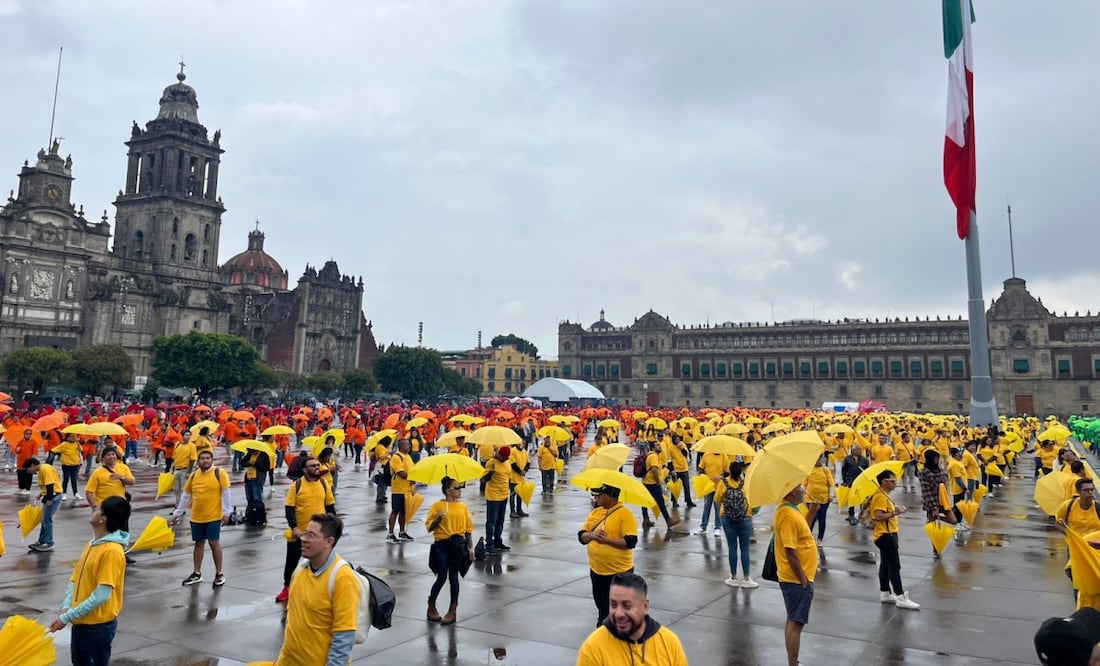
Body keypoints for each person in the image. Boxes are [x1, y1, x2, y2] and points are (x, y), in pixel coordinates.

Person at [48, 496, 131, 666]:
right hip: (81, 622)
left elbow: (102, 595)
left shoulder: (112, 551)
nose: (94, 508)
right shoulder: (92, 544)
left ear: (103, 519)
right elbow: (75, 580)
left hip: (97, 627)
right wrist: (67, 606)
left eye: (99, 508)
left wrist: (68, 617)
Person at [276, 513, 361, 666]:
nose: (304, 539)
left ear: (329, 542)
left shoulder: (343, 577)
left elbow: (344, 634)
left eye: (311, 535)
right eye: (305, 533)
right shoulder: (300, 569)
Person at [576, 572, 687, 666]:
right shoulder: (593, 648)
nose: (618, 614)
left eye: (627, 606)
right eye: (613, 605)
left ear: (645, 606)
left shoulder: (669, 643)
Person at [277, 455, 336, 603]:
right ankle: (287, 588)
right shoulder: (297, 485)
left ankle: (319, 590)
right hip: (300, 533)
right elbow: (289, 508)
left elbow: (330, 507)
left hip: (319, 535)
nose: (317, 468)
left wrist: (333, 526)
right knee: (292, 562)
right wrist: (294, 527)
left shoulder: (323, 483)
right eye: (313, 466)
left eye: (317, 465)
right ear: (304, 469)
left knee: (321, 563)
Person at [579, 484, 639, 626]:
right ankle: (604, 627)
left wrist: (606, 540)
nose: (596, 498)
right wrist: (592, 535)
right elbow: (581, 537)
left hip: (619, 572)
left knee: (618, 610)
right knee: (602, 606)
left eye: (599, 495)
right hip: (597, 570)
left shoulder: (625, 514)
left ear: (610, 496)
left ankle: (612, 633)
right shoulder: (596, 513)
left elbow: (630, 542)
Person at [171, 450, 231, 587]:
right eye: (202, 458)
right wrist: (177, 513)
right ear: (198, 461)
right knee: (198, 544)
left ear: (212, 459)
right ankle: (197, 573)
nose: (205, 460)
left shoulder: (219, 473)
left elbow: (226, 493)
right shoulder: (193, 476)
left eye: (207, 458)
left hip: (213, 516)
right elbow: (186, 495)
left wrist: (227, 512)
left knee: (214, 543)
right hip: (197, 517)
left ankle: (219, 573)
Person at [775, 482, 817, 666]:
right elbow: (790, 550)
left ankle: (793, 661)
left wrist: (812, 511)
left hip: (799, 577)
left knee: (793, 619)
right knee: (796, 623)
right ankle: (793, 663)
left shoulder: (792, 509)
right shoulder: (788, 514)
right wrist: (803, 579)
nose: (803, 490)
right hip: (796, 579)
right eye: (800, 487)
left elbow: (803, 532)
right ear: (791, 490)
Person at [426, 476, 474, 625]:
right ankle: (431, 605)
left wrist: (470, 547)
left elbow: (468, 529)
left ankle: (453, 609)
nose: (460, 491)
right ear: (448, 491)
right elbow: (429, 528)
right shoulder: (437, 506)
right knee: (441, 577)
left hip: (457, 544)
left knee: (454, 577)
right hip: (441, 544)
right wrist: (439, 519)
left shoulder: (463, 507)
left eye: (461, 488)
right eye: (457, 488)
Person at [869, 469, 920, 609]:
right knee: (894, 565)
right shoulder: (880, 496)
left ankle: (885, 592)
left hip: (888, 534)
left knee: (885, 565)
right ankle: (900, 596)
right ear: (884, 482)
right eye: (892, 481)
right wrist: (894, 513)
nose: (895, 484)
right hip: (886, 535)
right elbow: (877, 516)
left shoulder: (885, 495)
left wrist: (895, 511)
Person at [1056, 477, 1100, 606]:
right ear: (1078, 492)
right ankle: (1080, 607)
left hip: (1094, 550)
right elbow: (1058, 524)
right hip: (1076, 548)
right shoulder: (1068, 506)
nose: (1090, 493)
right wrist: (1071, 536)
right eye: (1086, 490)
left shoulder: (1097, 508)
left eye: (1092, 490)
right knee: (1078, 579)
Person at [716, 461, 757, 588]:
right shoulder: (745, 483)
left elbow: (717, 499)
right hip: (745, 518)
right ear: (741, 472)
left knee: (732, 548)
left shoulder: (723, 483)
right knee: (745, 549)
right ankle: (746, 578)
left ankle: (733, 577)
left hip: (727, 519)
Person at [639, 441, 679, 529]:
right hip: (652, 483)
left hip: (646, 482)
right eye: (657, 445)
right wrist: (658, 481)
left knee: (645, 501)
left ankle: (646, 519)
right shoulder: (653, 456)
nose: (659, 446)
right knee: (660, 502)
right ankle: (668, 520)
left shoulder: (652, 455)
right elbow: (654, 470)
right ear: (653, 448)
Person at [26, 457, 62, 552]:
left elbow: (50, 485)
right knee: (44, 520)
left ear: (32, 465)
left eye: (28, 469)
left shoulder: (45, 469)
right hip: (51, 495)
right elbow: (47, 485)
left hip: (54, 496)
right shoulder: (43, 469)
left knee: (47, 520)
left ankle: (49, 543)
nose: (28, 472)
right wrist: (41, 494)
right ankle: (42, 541)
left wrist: (49, 499)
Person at [482, 445, 512, 554]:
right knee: (491, 522)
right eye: (502, 456)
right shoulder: (491, 462)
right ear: (498, 454)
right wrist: (491, 471)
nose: (503, 459)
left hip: (504, 494)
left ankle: (498, 540)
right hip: (493, 496)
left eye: (505, 457)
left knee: (500, 520)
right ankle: (489, 544)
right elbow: (484, 479)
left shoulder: (507, 463)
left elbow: (508, 477)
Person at [85, 446, 135, 510]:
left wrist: (121, 476)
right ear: (103, 458)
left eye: (113, 454)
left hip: (121, 505)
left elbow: (132, 482)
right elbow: (89, 491)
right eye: (108, 455)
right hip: (104, 507)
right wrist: (94, 506)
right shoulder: (97, 472)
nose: (111, 457)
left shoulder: (123, 467)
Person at [385, 439, 415, 544]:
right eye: (407, 444)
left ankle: (402, 532)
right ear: (401, 446)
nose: (409, 446)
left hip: (408, 489)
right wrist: (412, 476)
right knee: (395, 511)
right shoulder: (397, 457)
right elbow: (401, 473)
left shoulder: (408, 457)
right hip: (398, 489)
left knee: (404, 512)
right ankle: (390, 534)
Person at [694, 447, 727, 534]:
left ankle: (717, 528)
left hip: (719, 487)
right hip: (708, 486)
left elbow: (728, 472)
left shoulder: (724, 457)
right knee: (706, 506)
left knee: (717, 508)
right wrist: (703, 476)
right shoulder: (706, 455)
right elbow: (700, 468)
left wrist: (721, 477)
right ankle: (703, 526)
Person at [804, 454, 834, 545]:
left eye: (818, 458)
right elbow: (804, 484)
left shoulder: (825, 470)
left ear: (821, 459)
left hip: (823, 499)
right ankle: (808, 535)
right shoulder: (809, 469)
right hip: (811, 499)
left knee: (822, 518)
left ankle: (820, 538)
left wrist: (831, 495)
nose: (817, 460)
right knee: (811, 517)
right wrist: (803, 495)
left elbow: (831, 484)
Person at [841, 444, 870, 525]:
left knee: (863, 499)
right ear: (853, 451)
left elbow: (868, 470)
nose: (860, 451)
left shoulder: (864, 460)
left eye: (861, 450)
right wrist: (845, 481)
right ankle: (851, 515)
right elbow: (844, 470)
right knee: (851, 499)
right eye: (859, 450)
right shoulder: (848, 459)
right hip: (851, 482)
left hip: (862, 483)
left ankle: (862, 515)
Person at [171, 430, 198, 505]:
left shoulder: (192, 446)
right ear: (182, 436)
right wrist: (173, 469)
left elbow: (192, 460)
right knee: (176, 490)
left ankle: (181, 507)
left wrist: (189, 472)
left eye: (189, 435)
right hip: (176, 469)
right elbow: (174, 457)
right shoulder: (178, 444)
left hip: (185, 470)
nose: (188, 436)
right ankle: (177, 505)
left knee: (183, 490)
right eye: (186, 435)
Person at [54, 432, 83, 500]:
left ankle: (76, 493)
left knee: (74, 479)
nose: (73, 438)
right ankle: (64, 493)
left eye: (74, 436)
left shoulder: (77, 444)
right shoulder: (64, 444)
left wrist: (79, 447)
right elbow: (55, 450)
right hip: (66, 465)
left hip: (75, 465)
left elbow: (81, 450)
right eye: (71, 436)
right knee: (66, 479)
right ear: (67, 437)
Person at [509, 443, 531, 517]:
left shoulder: (524, 451)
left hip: (521, 478)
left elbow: (528, 462)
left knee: (520, 495)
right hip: (513, 478)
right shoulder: (513, 451)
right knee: (512, 495)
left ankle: (519, 510)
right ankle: (512, 511)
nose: (520, 444)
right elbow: (513, 464)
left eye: (522, 443)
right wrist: (520, 471)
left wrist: (525, 470)